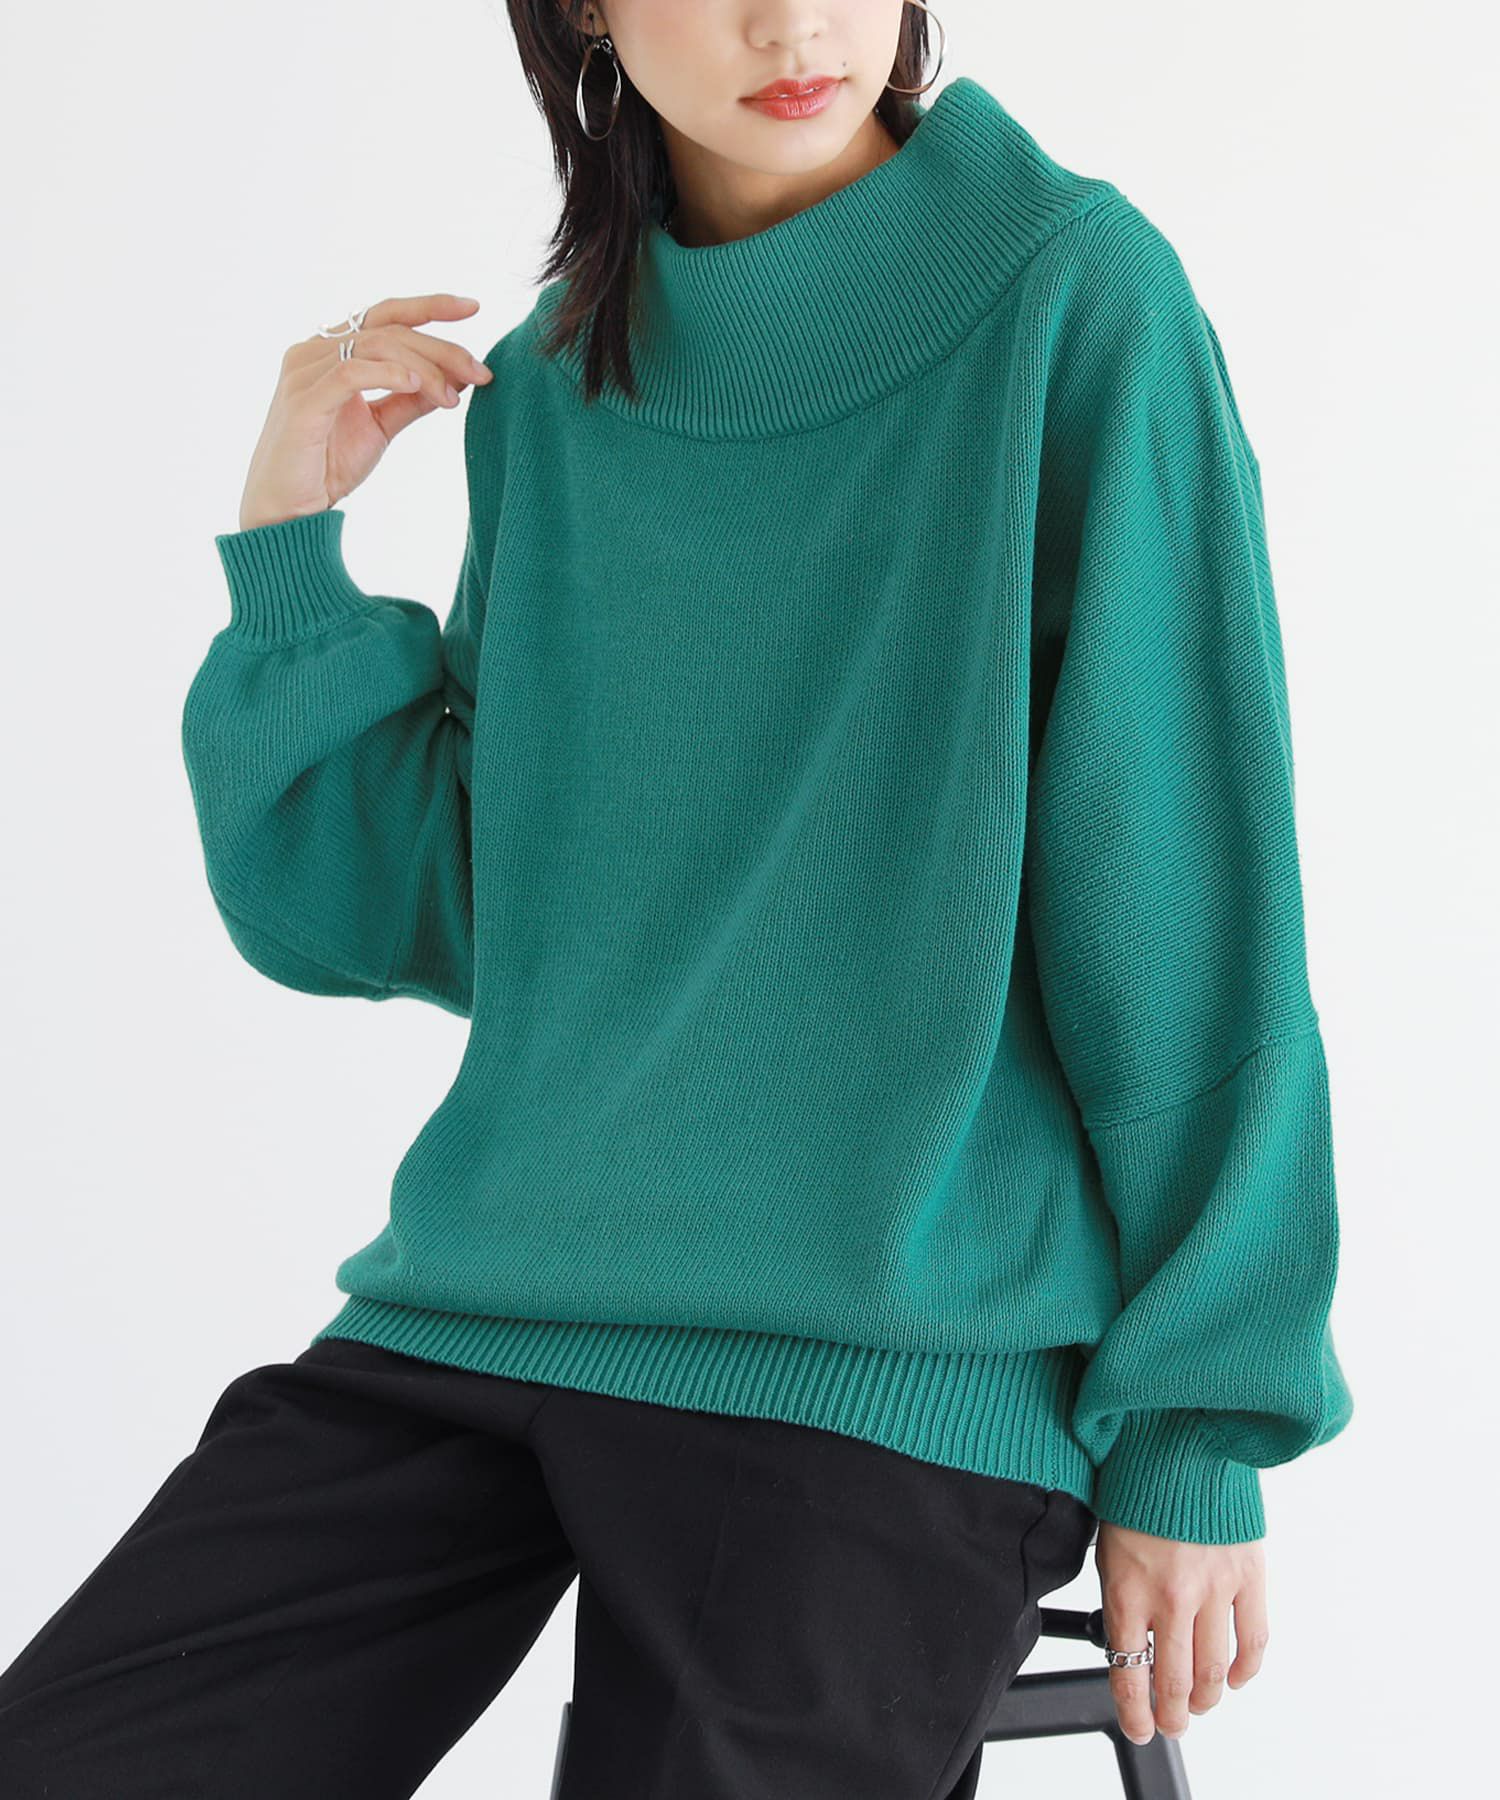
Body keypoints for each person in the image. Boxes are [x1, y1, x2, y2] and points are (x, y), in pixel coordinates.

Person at [0, 3, 1354, 1796]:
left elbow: (1187, 888)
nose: (792, 23)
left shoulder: (1070, 295)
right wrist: (289, 555)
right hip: (489, 1303)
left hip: (888, 1360)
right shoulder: (560, 380)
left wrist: (1196, 1427)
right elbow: (471, 911)